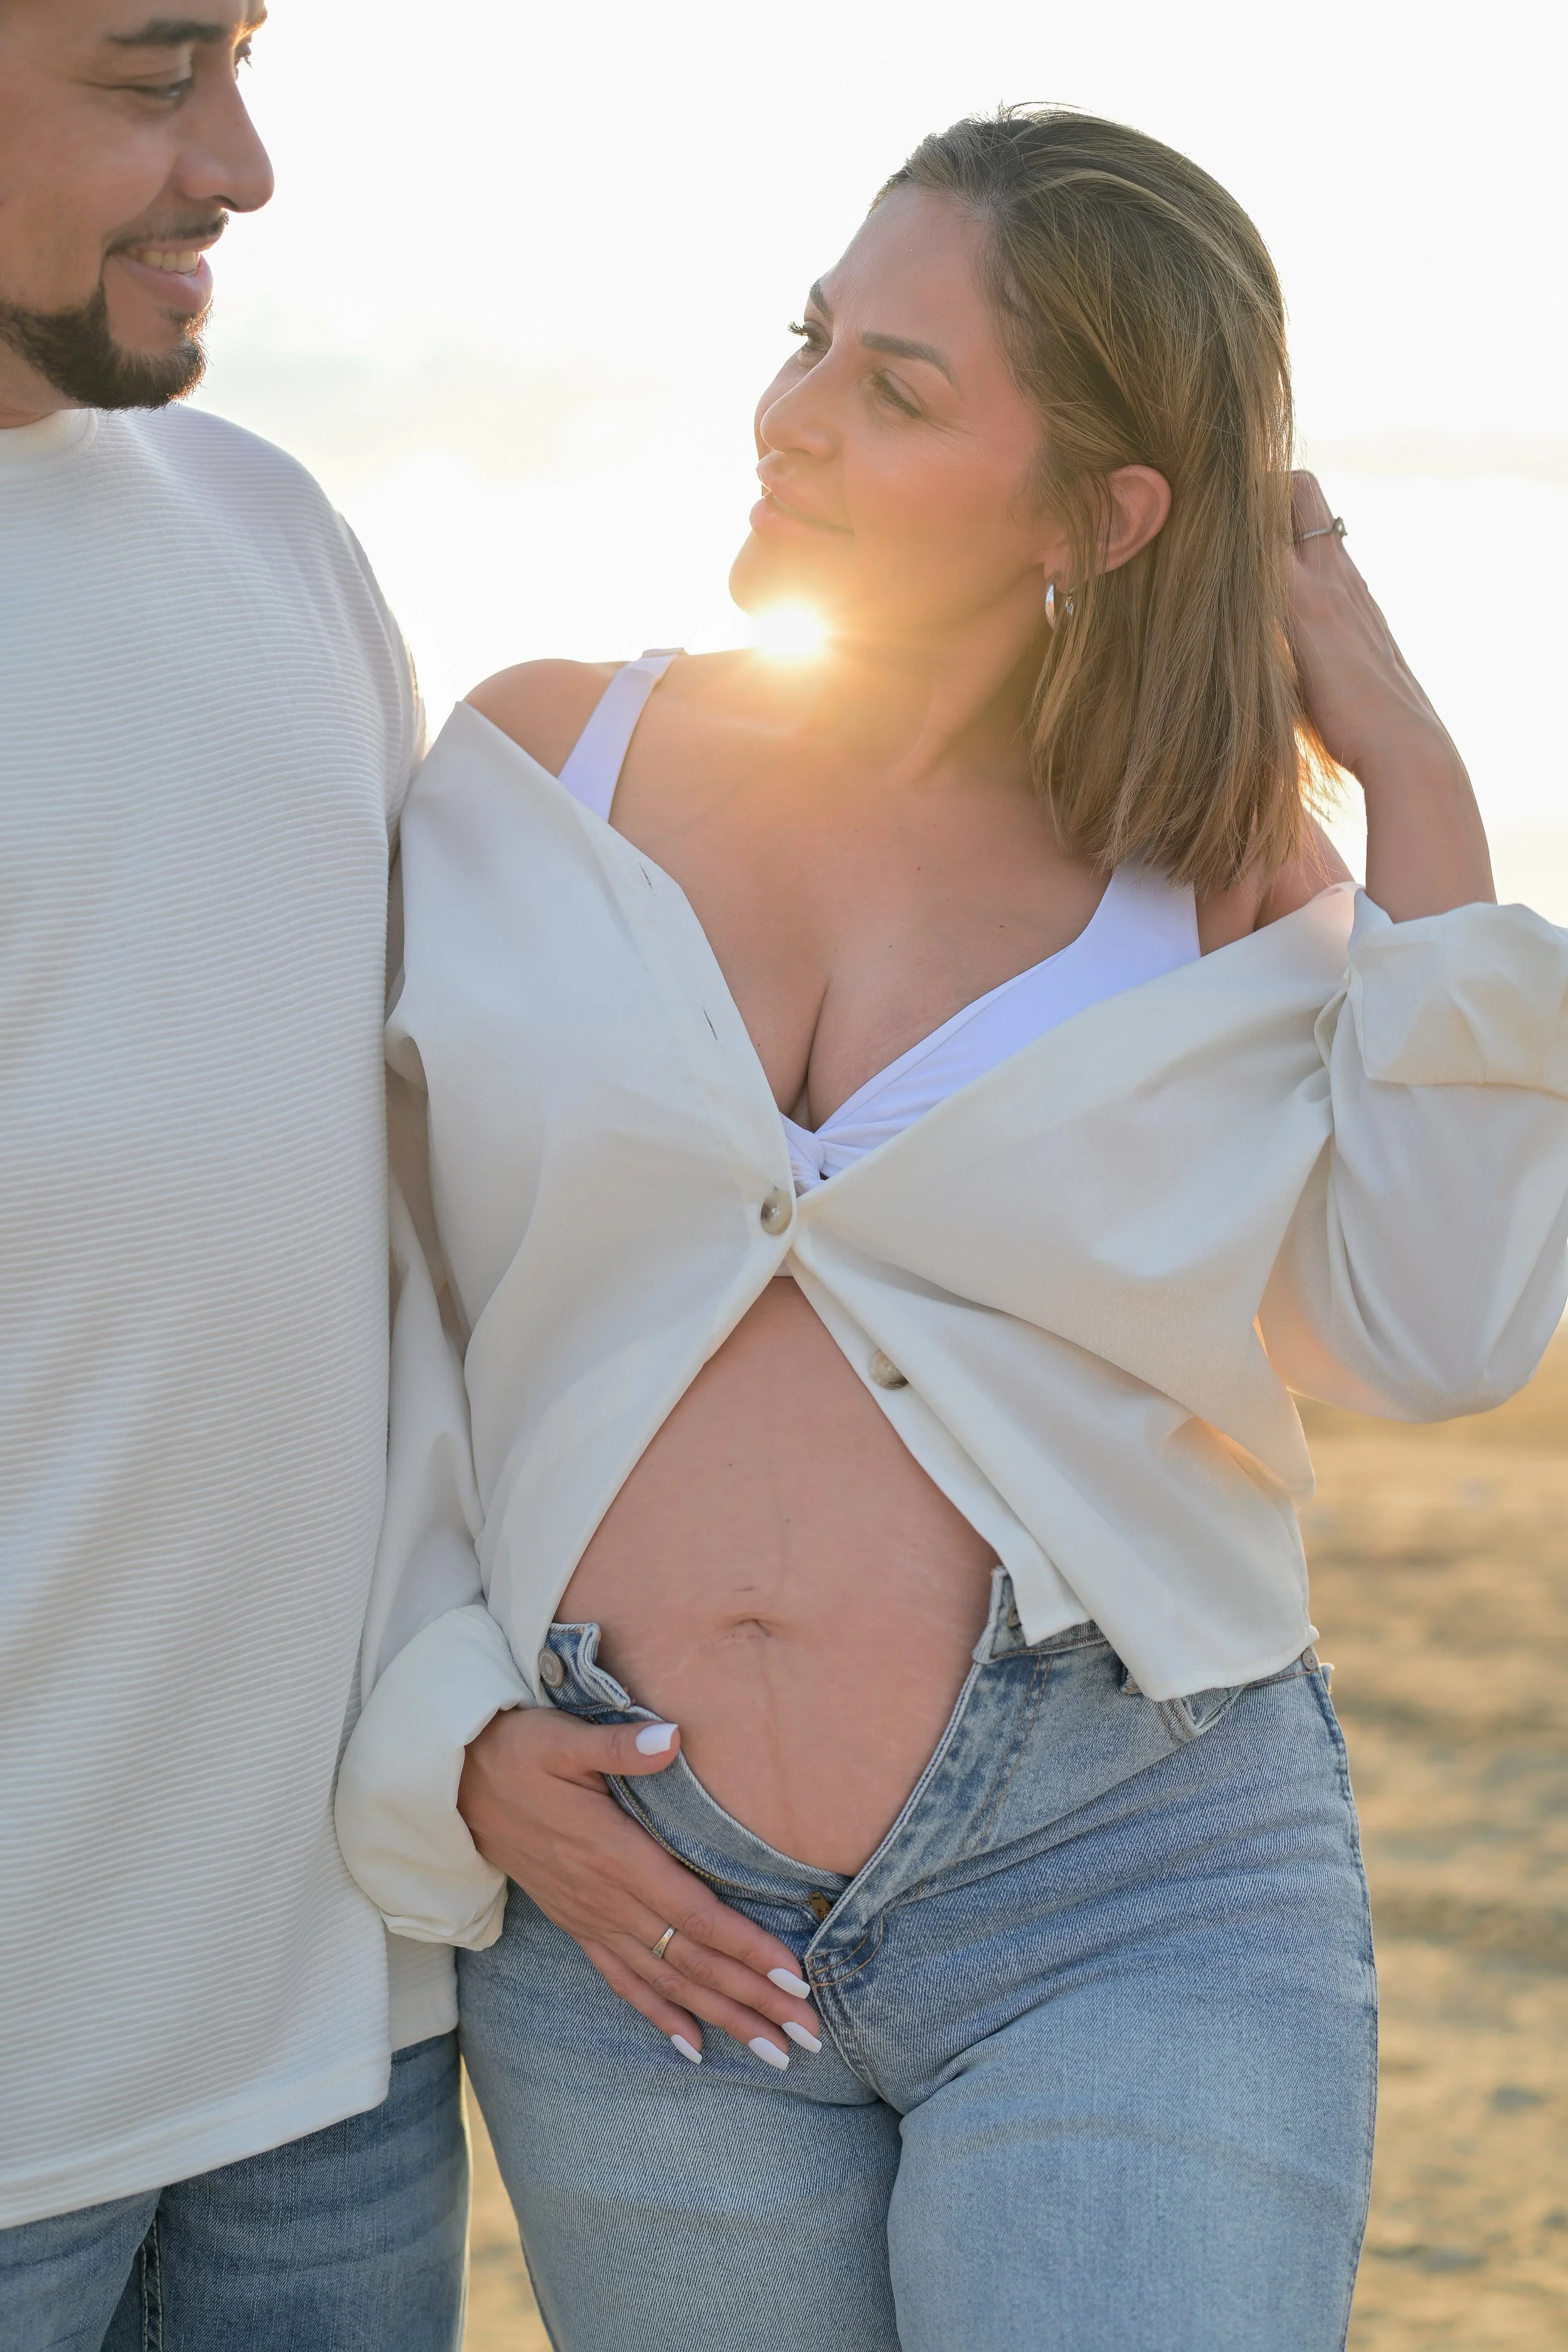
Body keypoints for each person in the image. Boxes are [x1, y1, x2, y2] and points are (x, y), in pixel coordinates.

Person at [336, 109, 1568, 2352]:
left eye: (897, 389)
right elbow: (373, 1315)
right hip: (639, 1908)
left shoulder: (1213, 886)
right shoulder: (526, 774)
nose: (791, 417)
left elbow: (1438, 1325)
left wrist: (1410, 773)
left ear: (1098, 515)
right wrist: (450, 1734)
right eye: (811, 342)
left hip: (1126, 1862)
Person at [0, 6, 465, 2344]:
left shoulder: (274, 535)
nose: (245, 164)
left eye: (247, 57)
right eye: (153, 68)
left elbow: (430, 1209)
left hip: (330, 2055)